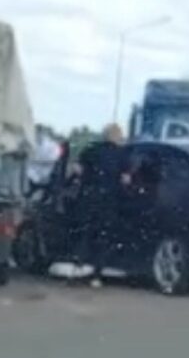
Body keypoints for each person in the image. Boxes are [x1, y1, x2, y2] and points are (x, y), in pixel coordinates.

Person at [76, 123, 127, 288]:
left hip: (90, 197)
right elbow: (126, 180)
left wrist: (86, 180)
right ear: (116, 136)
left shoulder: (92, 150)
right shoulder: (122, 155)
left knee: (86, 230)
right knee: (104, 236)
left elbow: (77, 169)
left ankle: (79, 262)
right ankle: (97, 274)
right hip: (110, 200)